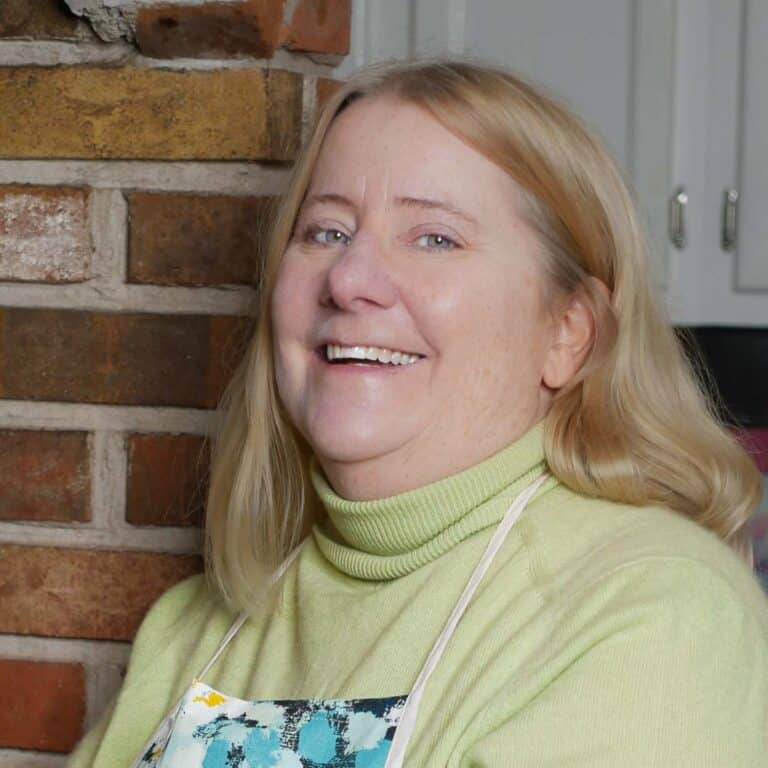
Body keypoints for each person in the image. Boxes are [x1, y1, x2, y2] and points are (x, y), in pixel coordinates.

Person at [68, 59, 768, 768]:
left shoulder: (657, 609)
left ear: (568, 332)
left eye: (435, 238)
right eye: (326, 232)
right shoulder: (194, 626)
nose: (348, 280)